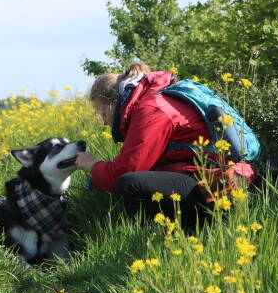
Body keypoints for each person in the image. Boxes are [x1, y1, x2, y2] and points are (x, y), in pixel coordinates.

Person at [75, 63, 256, 232]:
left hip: (215, 183)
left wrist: (93, 165)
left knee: (129, 183)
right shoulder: (153, 101)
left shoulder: (152, 108)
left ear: (113, 101)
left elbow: (127, 170)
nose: (105, 122)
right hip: (207, 177)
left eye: (103, 113)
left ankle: (174, 235)